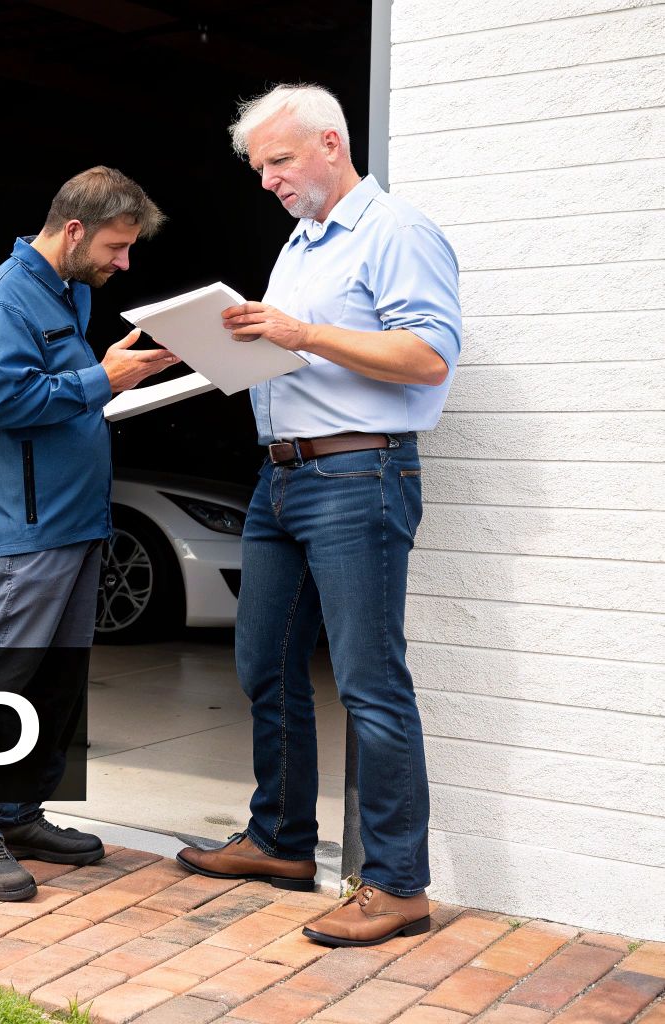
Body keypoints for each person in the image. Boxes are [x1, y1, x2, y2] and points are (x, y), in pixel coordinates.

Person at [175, 84, 462, 948]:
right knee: (264, 659)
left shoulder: (397, 232)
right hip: (281, 480)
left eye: (278, 160)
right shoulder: (299, 245)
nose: (266, 180)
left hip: (358, 475)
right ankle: (280, 841)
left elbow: (426, 355)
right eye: (259, 167)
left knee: (371, 683)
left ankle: (398, 884)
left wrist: (301, 335)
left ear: (331, 144)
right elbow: (287, 349)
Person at [0, 166, 177, 901]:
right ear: (73, 230)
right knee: (2, 680)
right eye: (116, 245)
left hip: (73, 522)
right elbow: (3, 400)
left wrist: (112, 377)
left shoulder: (67, 292)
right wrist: (103, 379)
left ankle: (17, 815)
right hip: (23, 529)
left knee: (55, 682)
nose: (123, 262)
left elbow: (57, 394)